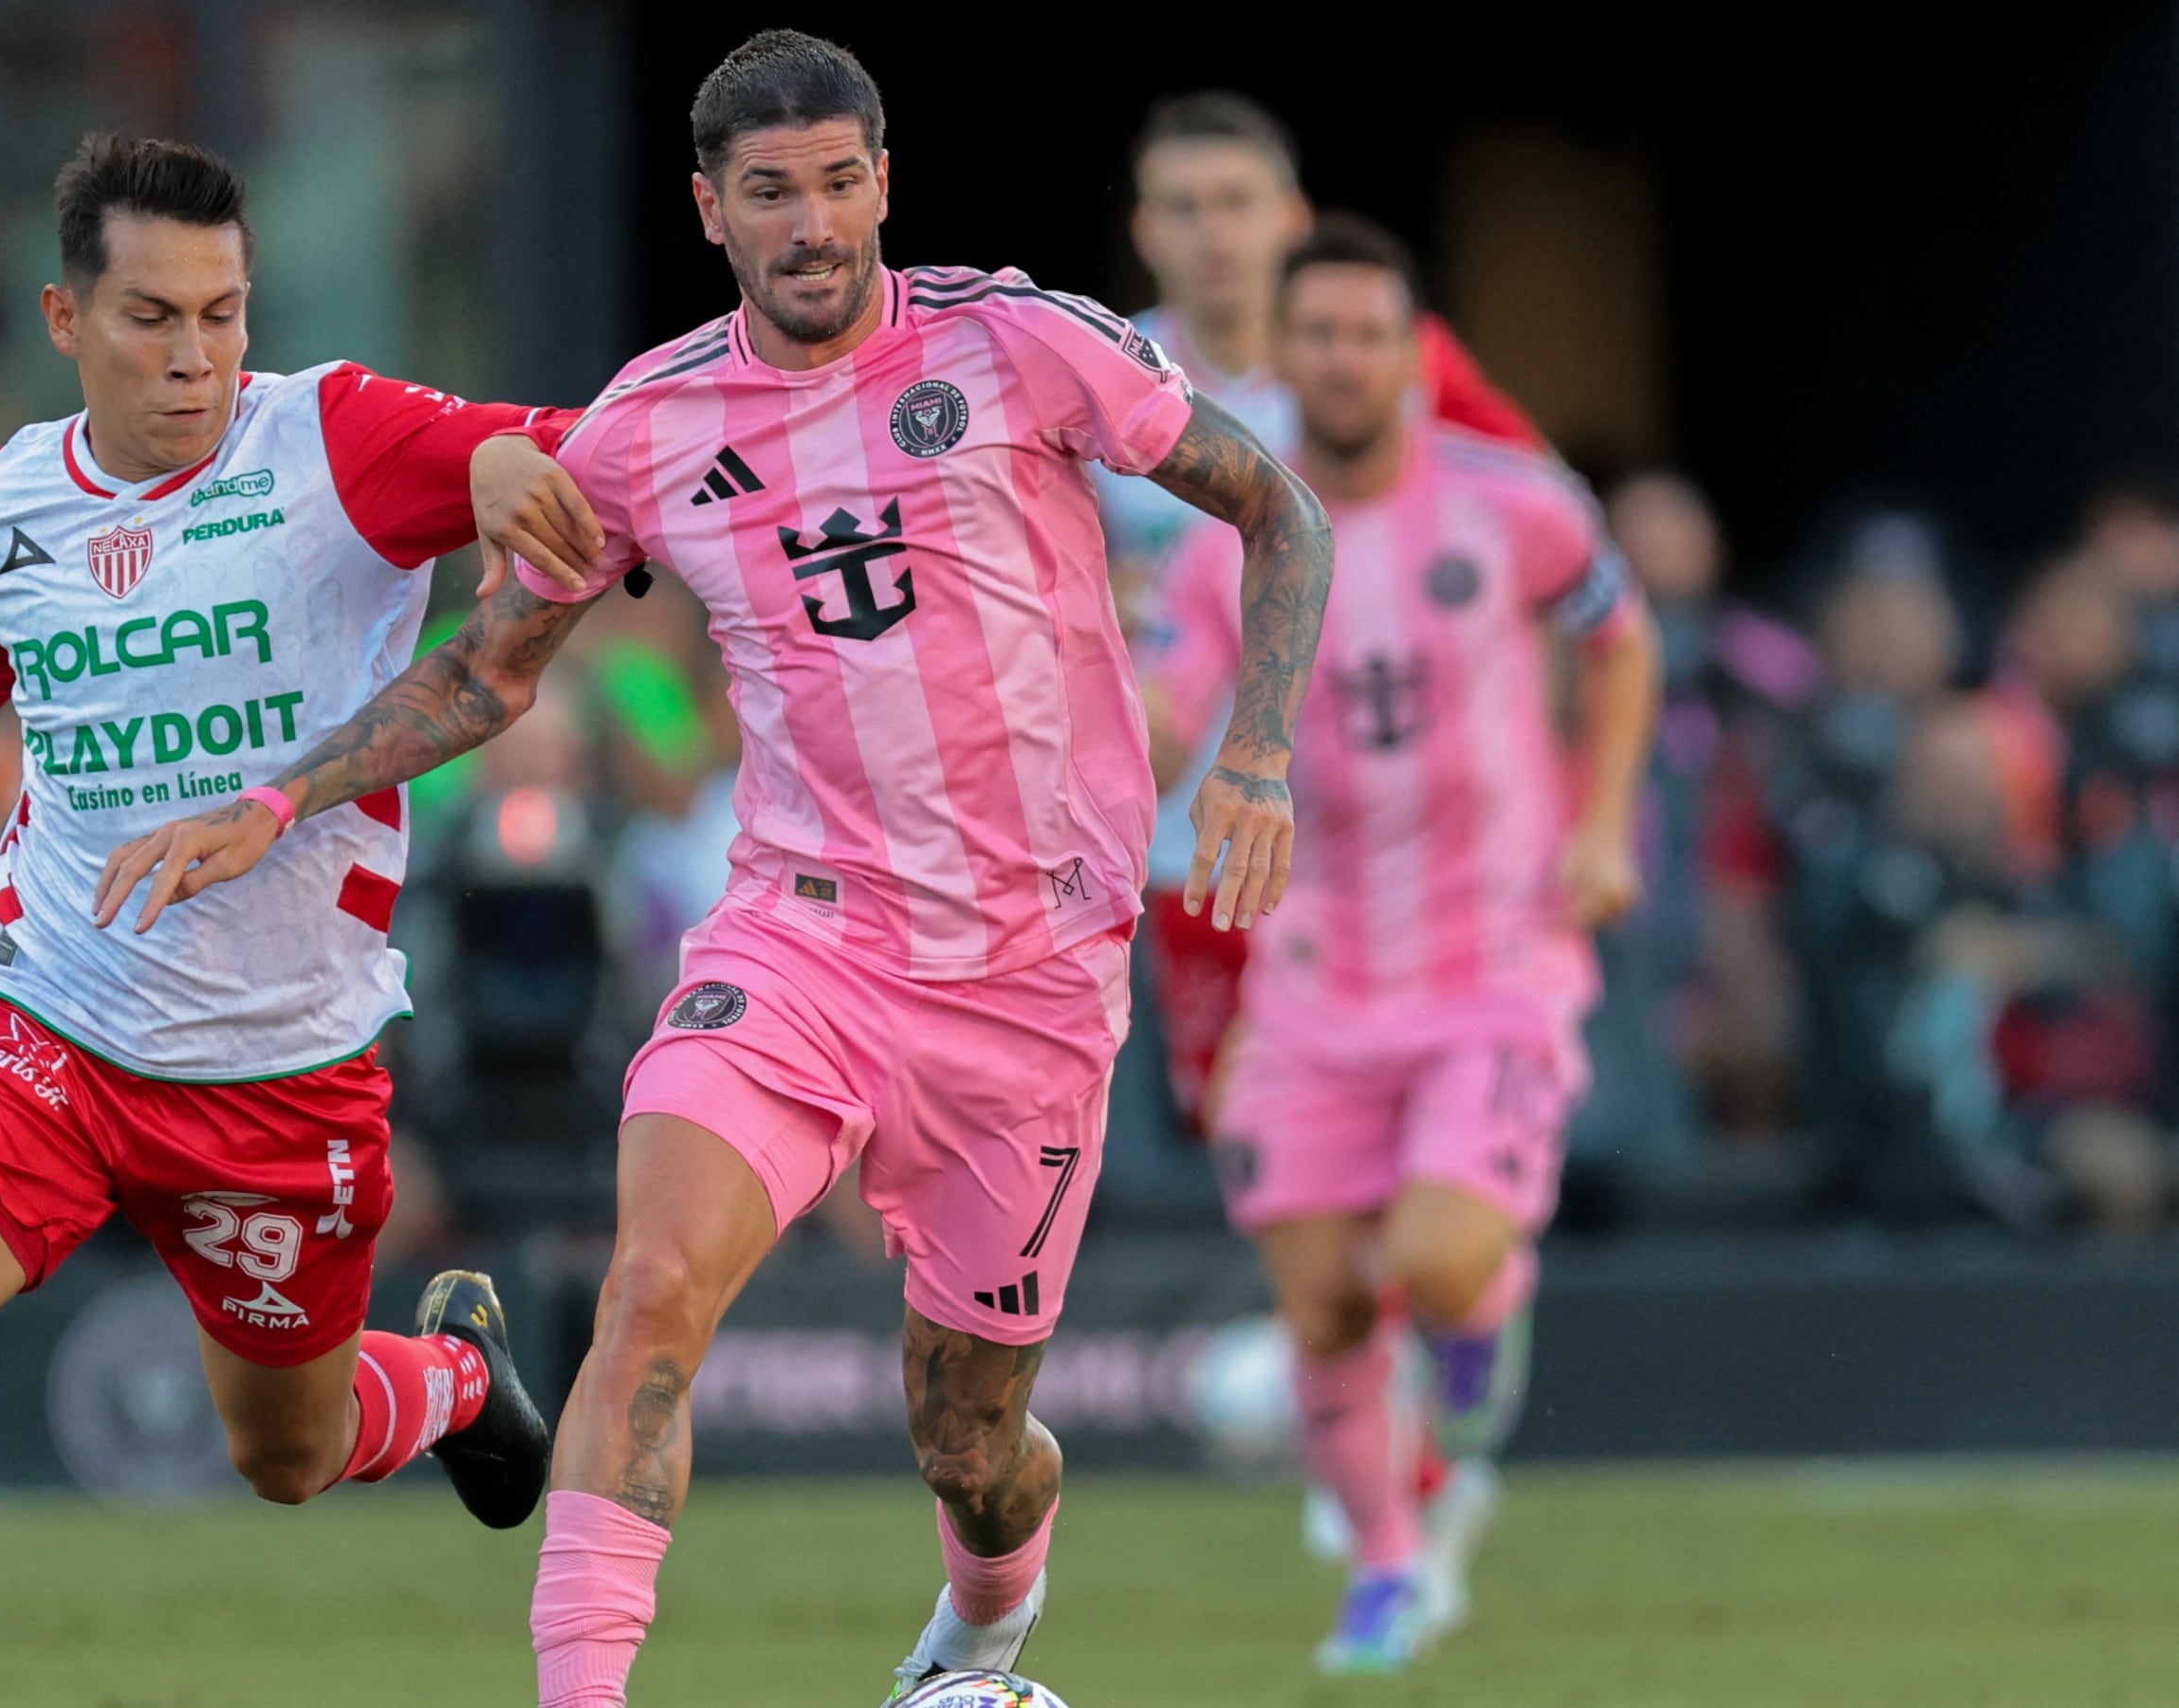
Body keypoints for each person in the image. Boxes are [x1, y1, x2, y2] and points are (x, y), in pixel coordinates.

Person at [101, 32, 1332, 1706]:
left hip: (1034, 978)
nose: (812, 222)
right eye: (770, 192)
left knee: (970, 1441)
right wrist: (280, 794)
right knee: (651, 1288)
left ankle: (973, 1637)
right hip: (799, 944)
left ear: (882, 182)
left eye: (838, 183)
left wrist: (1254, 749)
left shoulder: (1019, 343)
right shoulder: (645, 428)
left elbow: (1280, 511)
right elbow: (488, 668)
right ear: (708, 208)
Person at [0, 135, 605, 1707]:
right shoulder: (3, 500)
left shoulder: (335, 440)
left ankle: (458, 1377)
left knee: (286, 1450)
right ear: (65, 318)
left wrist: (507, 462)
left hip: (282, 1066)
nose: (197, 355)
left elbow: (564, 461)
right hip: (45, 1019)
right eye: (152, 317)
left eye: (222, 312)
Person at [1153, 215, 1659, 1673]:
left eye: (1369, 334)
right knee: (1316, 1297)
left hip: (1492, 956)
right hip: (1312, 967)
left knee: (1436, 1262)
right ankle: (1385, 1566)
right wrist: (1119, 728)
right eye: (1316, 335)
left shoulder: (1516, 504)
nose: (1342, 357)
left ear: (1412, 352)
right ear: (1287, 354)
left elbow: (1620, 637)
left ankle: (1471, 1340)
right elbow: (1176, 697)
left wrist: (1605, 816)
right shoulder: (1238, 530)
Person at [1111, 91, 1542, 1136]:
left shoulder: (1384, 359)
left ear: (1291, 219)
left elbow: (1540, 524)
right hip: (1191, 842)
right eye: (1182, 207)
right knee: (1238, 1132)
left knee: (1393, 1131)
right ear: (1143, 230)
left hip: (1388, 841)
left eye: (1234, 202)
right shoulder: (1095, 376)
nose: (1212, 234)